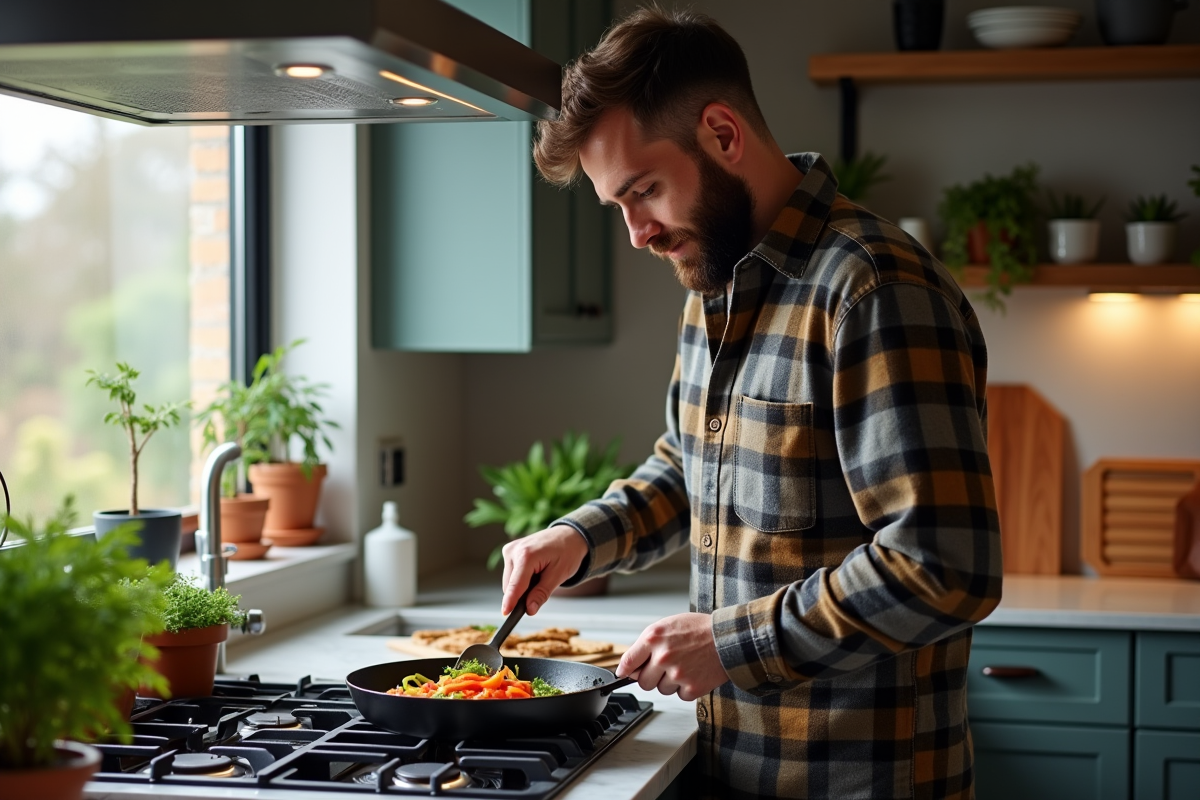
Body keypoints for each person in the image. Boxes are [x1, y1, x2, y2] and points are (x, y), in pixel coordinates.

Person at [500, 7, 1003, 799]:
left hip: (861, 782)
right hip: (738, 768)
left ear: (723, 135)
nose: (636, 233)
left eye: (646, 191)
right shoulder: (716, 279)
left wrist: (729, 644)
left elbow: (944, 566)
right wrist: (577, 539)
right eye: (617, 205)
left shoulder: (873, 289)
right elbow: (689, 465)